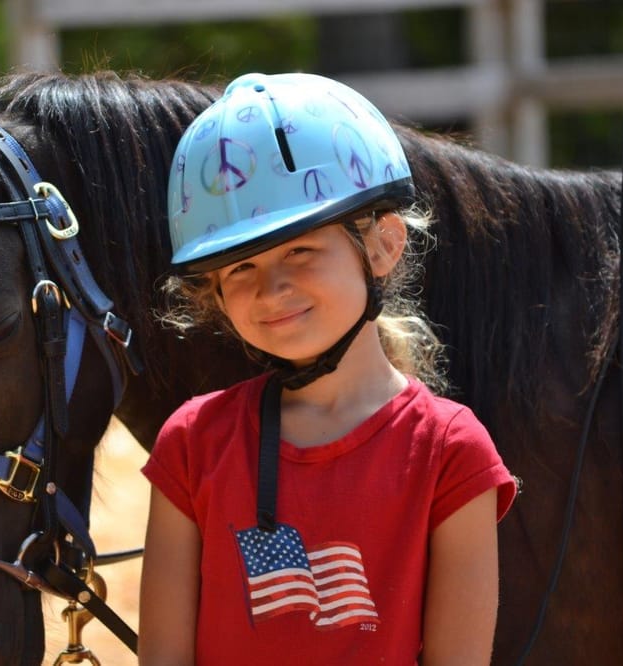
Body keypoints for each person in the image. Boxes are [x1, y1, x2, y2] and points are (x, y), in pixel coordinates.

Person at [138, 72, 517, 666]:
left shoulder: (451, 451)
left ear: (383, 246)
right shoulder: (191, 444)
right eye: (240, 268)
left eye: (300, 249)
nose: (272, 289)